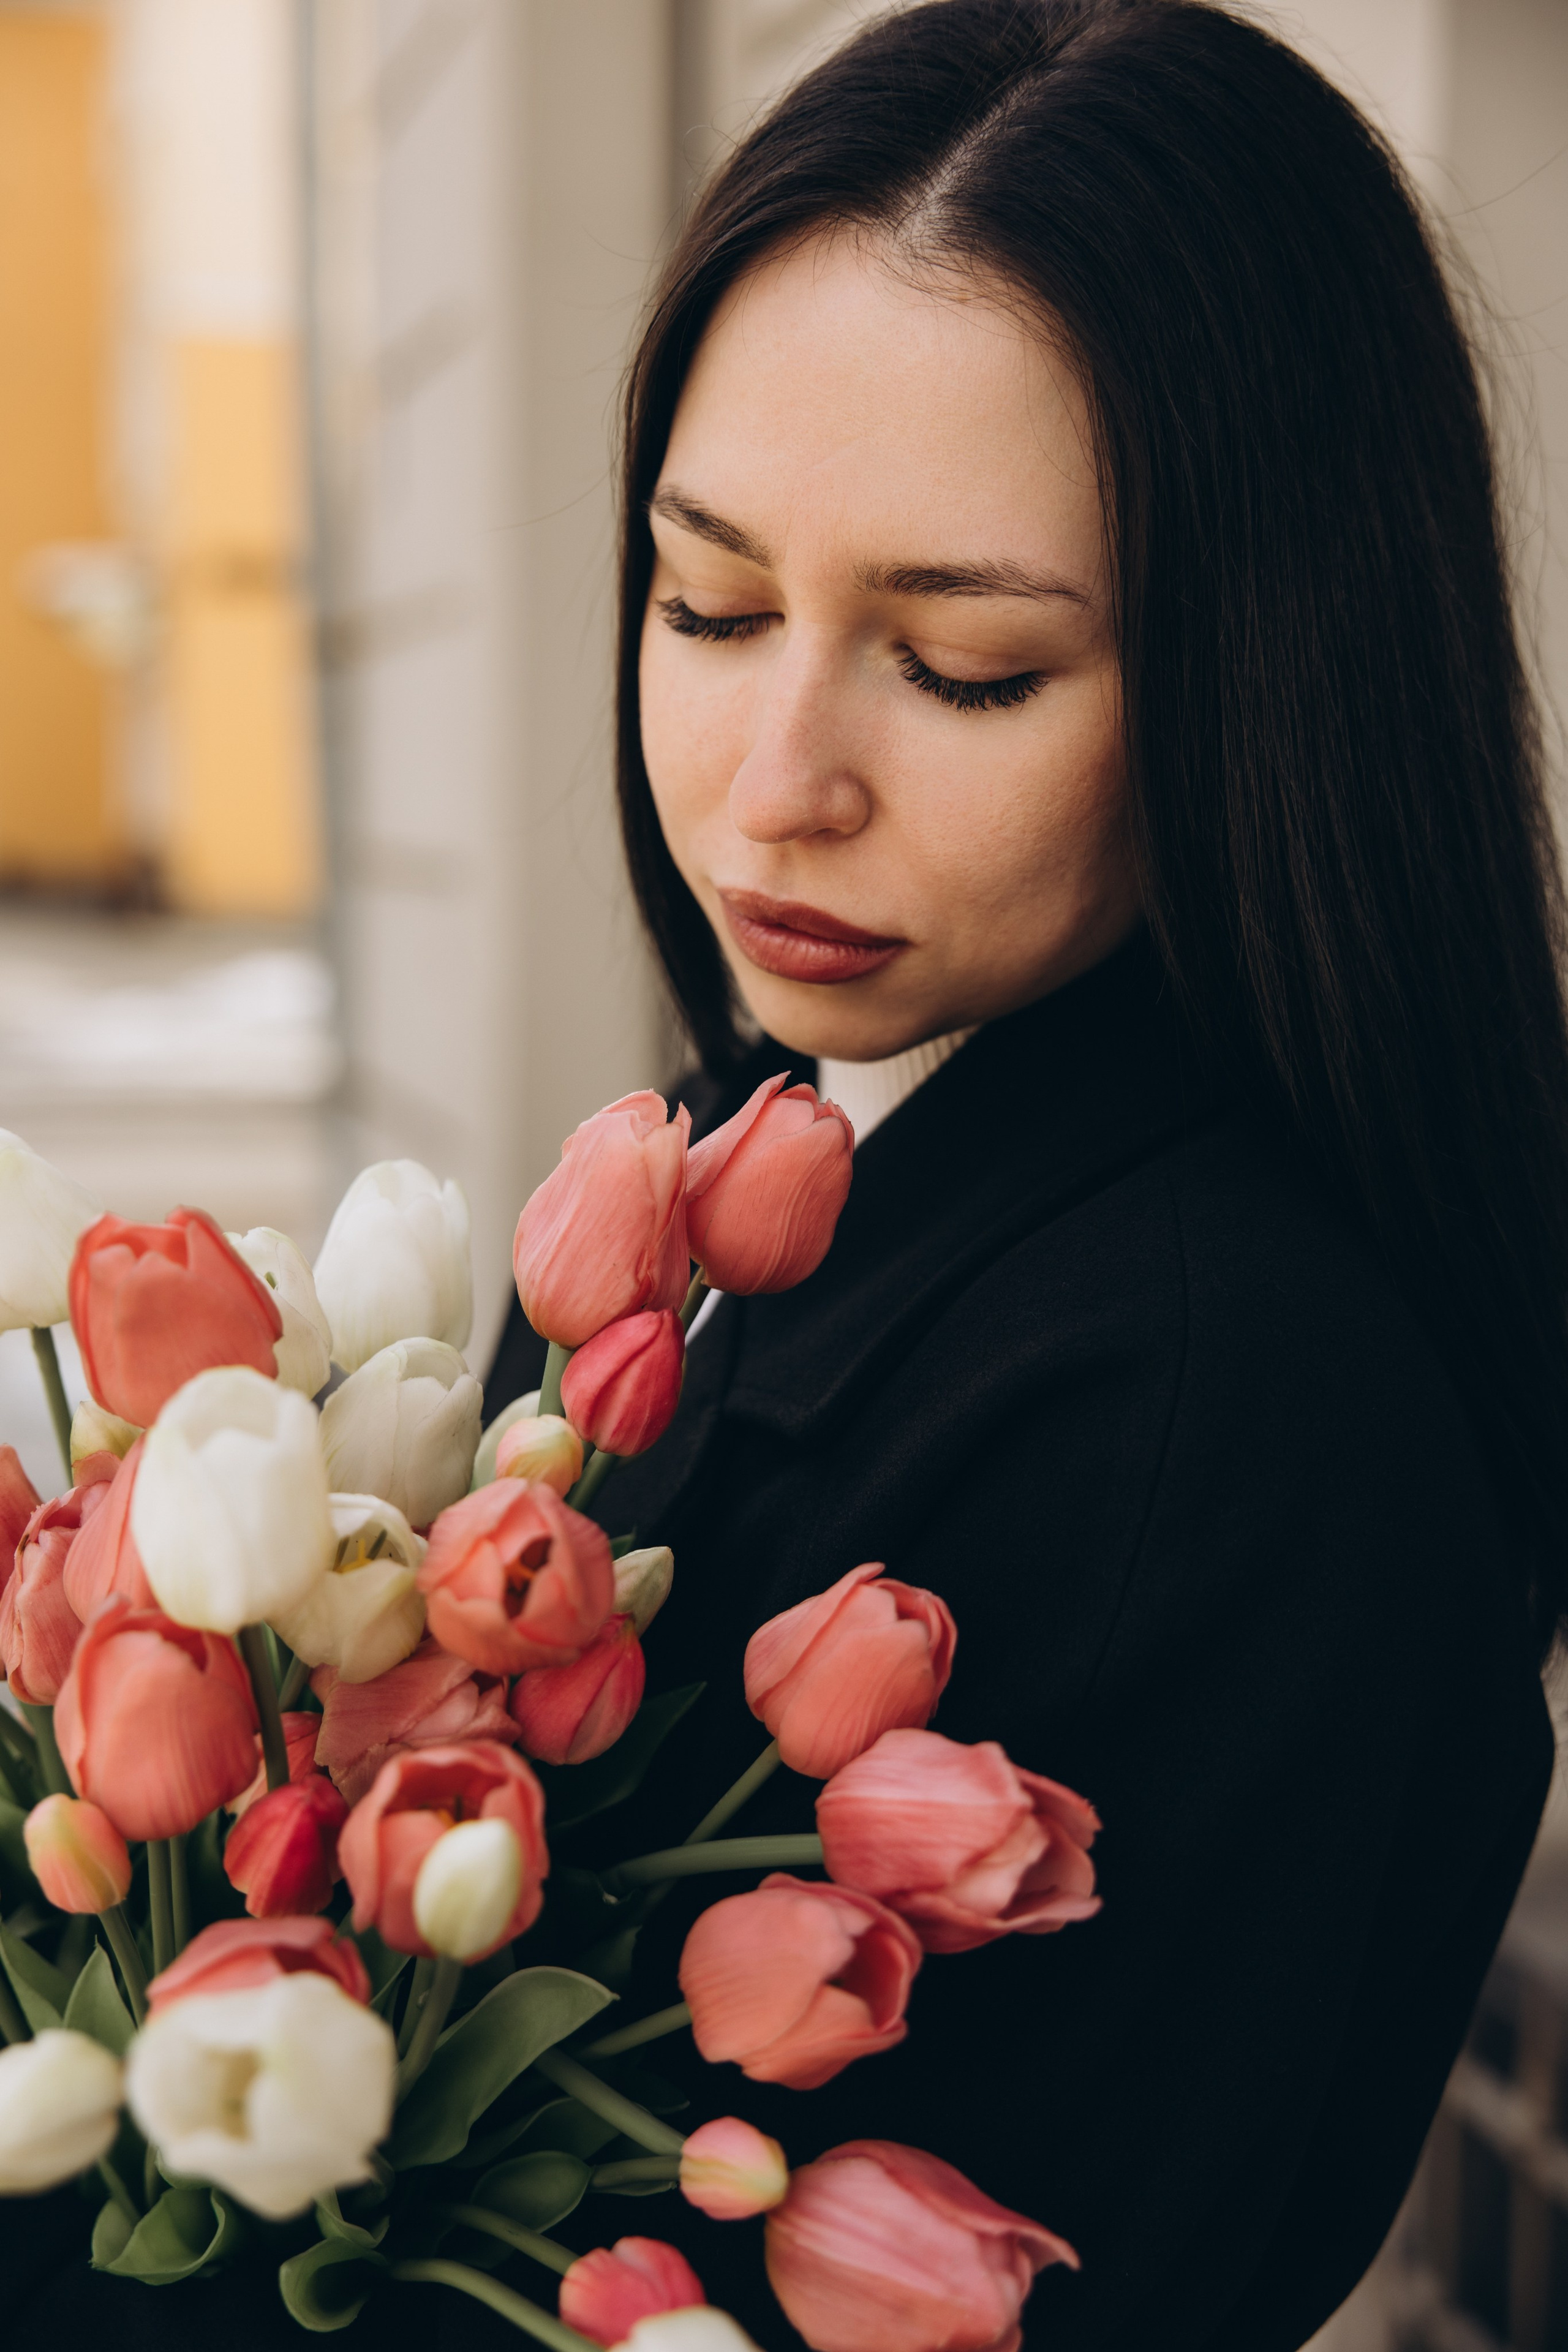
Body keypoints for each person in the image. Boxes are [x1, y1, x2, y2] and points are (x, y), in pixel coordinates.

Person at [488, 4, 1568, 2348]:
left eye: (965, 667)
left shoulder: (1232, 1414)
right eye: (708, 604)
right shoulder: (747, 1156)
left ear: (1272, 682)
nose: (779, 780)